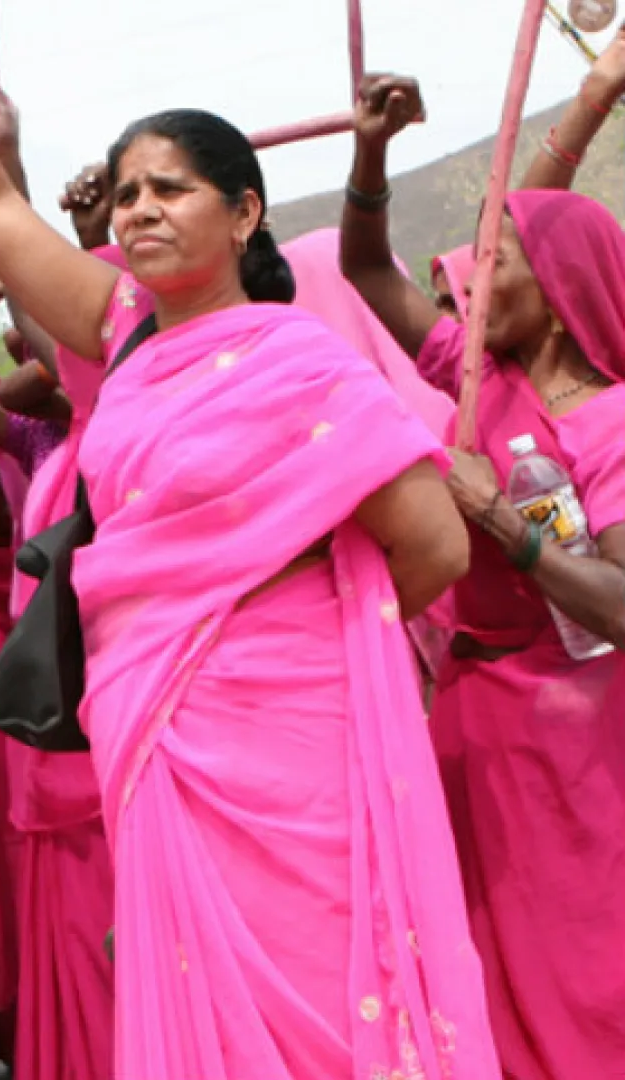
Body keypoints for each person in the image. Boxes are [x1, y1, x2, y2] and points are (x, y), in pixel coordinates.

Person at [0, 2, 497, 1076]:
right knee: (191, 980)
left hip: (301, 728)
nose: (140, 211)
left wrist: (326, 623)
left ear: (244, 211)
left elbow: (434, 541)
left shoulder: (306, 363)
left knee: (329, 988)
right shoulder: (118, 332)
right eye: (126, 195)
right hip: (158, 727)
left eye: (171, 188)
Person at [341, 71, 625, 1080]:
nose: (468, 276)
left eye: (497, 261)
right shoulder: (472, 372)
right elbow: (367, 271)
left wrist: (500, 521)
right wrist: (372, 150)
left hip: (575, 745)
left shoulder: (613, 425)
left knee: (578, 973)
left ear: (556, 293)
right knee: (474, 970)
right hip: (466, 723)